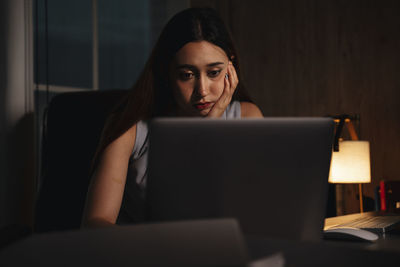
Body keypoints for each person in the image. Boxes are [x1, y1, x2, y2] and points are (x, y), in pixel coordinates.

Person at [81, 7, 263, 228]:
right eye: (187, 75)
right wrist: (210, 124)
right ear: (167, 72)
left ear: (230, 67)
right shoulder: (131, 128)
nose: (202, 90)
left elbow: (256, 212)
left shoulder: (246, 118)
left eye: (214, 72)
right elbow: (95, 224)